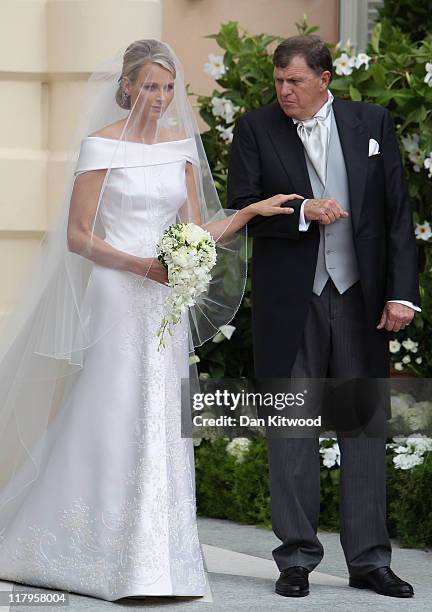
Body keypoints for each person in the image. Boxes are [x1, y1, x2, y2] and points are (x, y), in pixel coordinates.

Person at [0, 39, 301, 601]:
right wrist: (143, 264)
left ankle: (157, 562)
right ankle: (84, 549)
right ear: (128, 86)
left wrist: (248, 213)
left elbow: (196, 227)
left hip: (164, 299)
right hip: (120, 290)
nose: (160, 98)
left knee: (161, 414)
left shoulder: (180, 146)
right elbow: (78, 236)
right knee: (113, 409)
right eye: (150, 86)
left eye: (168, 87)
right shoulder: (99, 146)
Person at [227, 34, 420, 599]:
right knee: (291, 430)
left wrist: (401, 293)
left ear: (325, 79)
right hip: (293, 302)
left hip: (360, 298)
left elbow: (396, 213)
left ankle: (369, 560)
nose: (284, 91)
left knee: (363, 427)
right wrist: (302, 212)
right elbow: (243, 210)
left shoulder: (372, 122)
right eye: (279, 81)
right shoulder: (256, 129)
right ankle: (295, 558)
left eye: (296, 81)